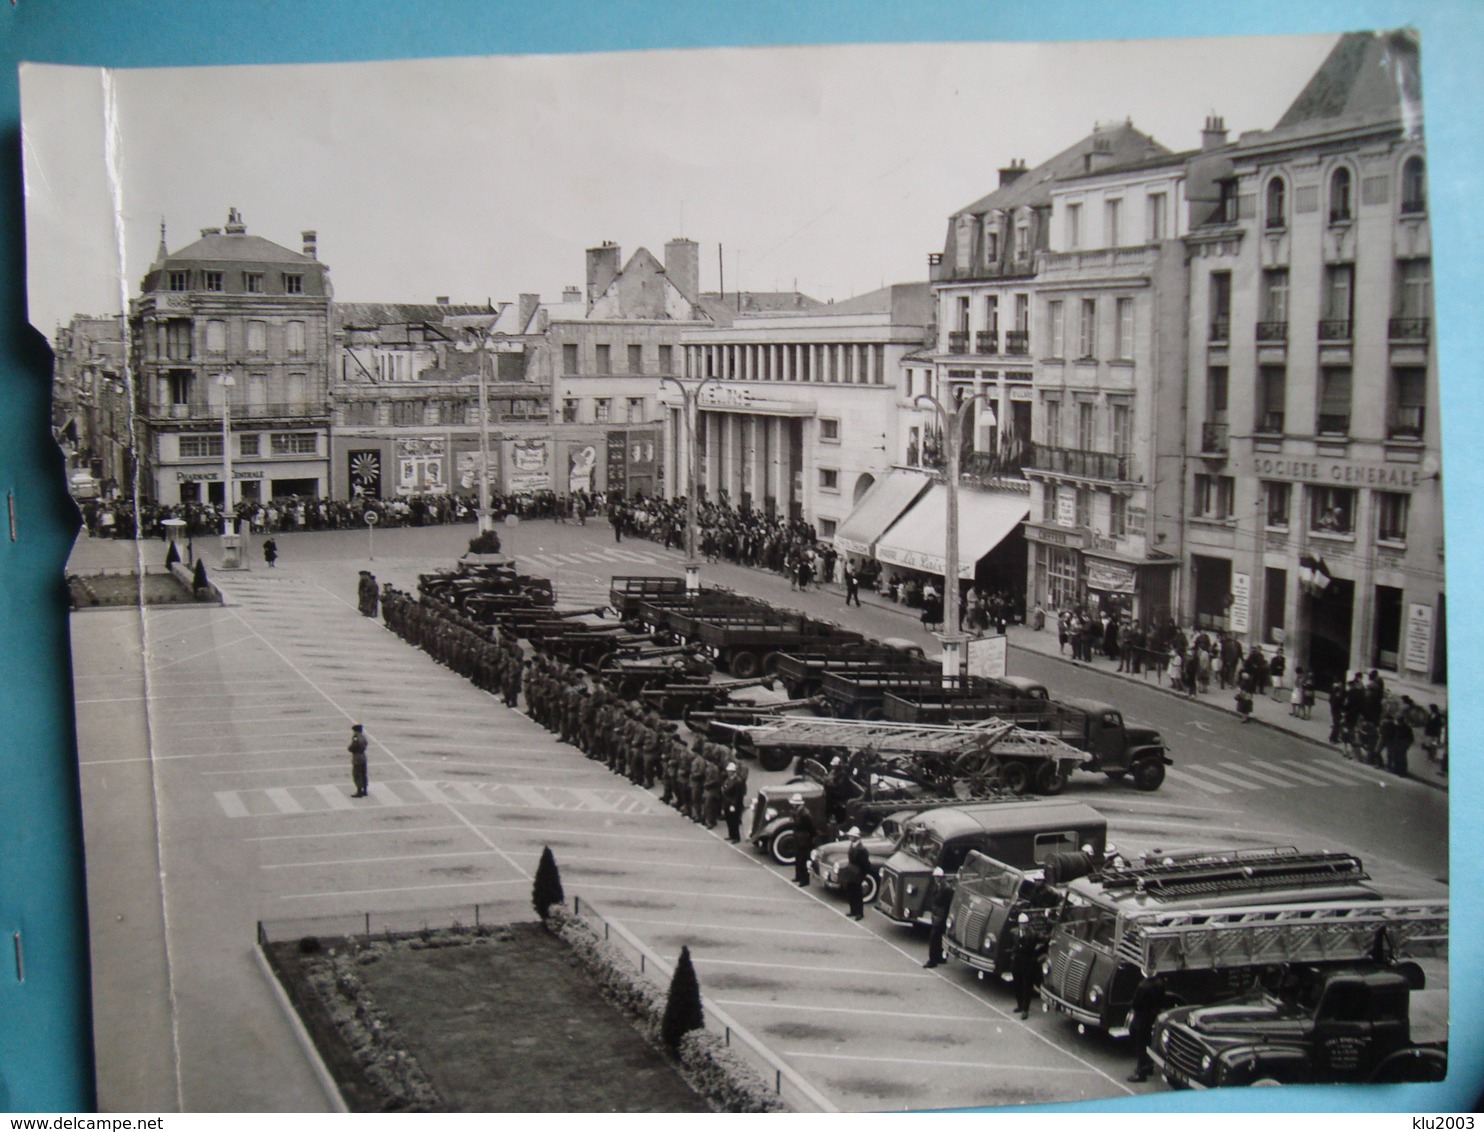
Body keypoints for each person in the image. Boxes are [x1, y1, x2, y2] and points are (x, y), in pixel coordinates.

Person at [1126, 975, 1169, 1082]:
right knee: (1149, 1041)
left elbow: (1135, 1004)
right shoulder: (1160, 983)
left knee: (1141, 1044)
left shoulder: (1142, 986)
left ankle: (1141, 1072)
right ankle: (1149, 1066)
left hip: (1141, 1017)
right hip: (1152, 1015)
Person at [1007, 912, 1040, 1018]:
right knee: (1017, 984)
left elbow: (1040, 938)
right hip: (1017, 962)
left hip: (1027, 963)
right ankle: (1020, 1005)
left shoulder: (1032, 934)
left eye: (1025, 923)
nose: (1023, 925)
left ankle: (1025, 1009)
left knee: (1027, 986)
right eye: (1021, 923)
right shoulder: (1015, 933)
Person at [923, 867, 954, 968]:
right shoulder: (940, 886)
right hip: (937, 916)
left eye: (938, 877)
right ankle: (939, 957)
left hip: (941, 917)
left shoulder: (946, 889)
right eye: (935, 877)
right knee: (938, 938)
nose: (936, 879)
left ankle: (933, 960)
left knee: (934, 938)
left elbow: (946, 905)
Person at [790, 795, 816, 887]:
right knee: (798, 858)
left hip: (803, 838)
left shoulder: (805, 814)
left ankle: (805, 879)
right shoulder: (799, 812)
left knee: (803, 859)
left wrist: (811, 837)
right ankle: (798, 876)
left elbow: (811, 828)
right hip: (799, 837)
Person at [845, 833, 870, 921]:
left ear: (856, 837)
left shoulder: (862, 850)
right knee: (850, 892)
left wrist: (862, 875)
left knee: (857, 894)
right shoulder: (852, 846)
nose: (849, 837)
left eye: (851, 836)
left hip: (857, 873)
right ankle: (853, 910)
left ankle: (860, 913)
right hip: (851, 872)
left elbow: (865, 864)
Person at [348, 723, 369, 798]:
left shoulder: (356, 737)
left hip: (357, 757)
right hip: (363, 756)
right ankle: (365, 790)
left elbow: (354, 745)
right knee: (363, 773)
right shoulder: (363, 736)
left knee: (357, 774)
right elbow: (366, 743)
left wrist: (350, 749)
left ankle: (359, 790)